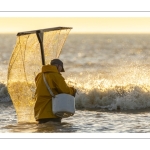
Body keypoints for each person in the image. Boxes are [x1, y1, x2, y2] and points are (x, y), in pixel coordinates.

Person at [34, 59, 76, 124]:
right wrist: (73, 90)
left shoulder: (39, 76)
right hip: (51, 113)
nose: (60, 71)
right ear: (58, 66)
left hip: (40, 114)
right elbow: (65, 91)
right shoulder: (55, 75)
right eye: (61, 69)